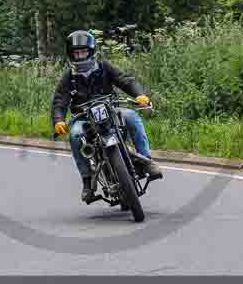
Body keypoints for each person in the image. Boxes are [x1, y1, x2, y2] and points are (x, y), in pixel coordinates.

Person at [51, 30, 162, 202]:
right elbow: (60, 100)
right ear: (71, 54)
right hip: (83, 117)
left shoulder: (104, 67)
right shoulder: (69, 77)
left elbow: (126, 80)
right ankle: (87, 181)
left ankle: (146, 160)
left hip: (111, 109)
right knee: (74, 135)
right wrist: (58, 120)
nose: (80, 56)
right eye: (76, 53)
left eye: (83, 52)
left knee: (132, 117)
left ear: (91, 51)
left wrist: (138, 94)